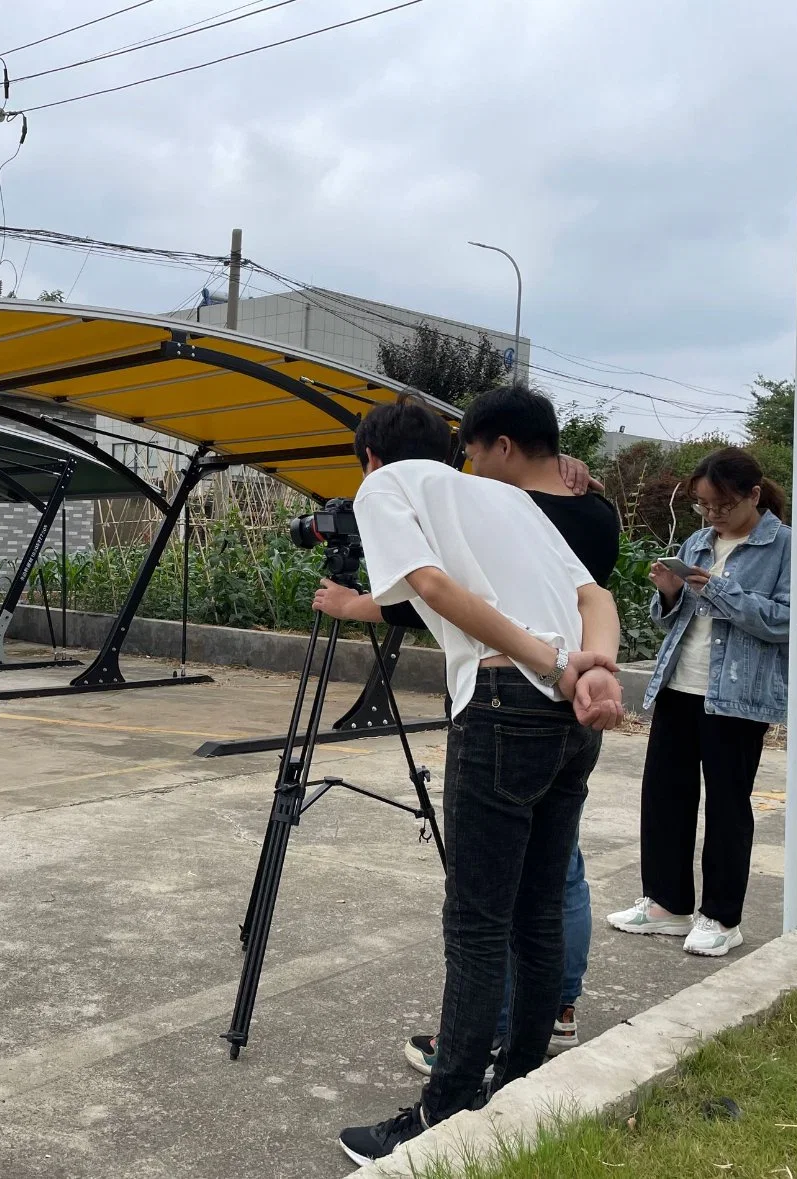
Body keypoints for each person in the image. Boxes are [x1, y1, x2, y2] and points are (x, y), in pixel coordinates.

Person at [330, 398, 623, 1166]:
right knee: (534, 910)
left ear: (371, 457)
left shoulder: (385, 487)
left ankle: (445, 1110)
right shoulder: (502, 496)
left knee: (476, 921)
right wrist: (594, 666)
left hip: (504, 703)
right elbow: (596, 596)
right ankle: (520, 1083)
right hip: (566, 719)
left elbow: (425, 582)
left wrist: (552, 663)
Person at [608, 447, 790, 957]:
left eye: (722, 505)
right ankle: (667, 905)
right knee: (665, 797)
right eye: (704, 506)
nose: (712, 515)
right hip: (678, 686)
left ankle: (721, 917)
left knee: (728, 807)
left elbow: (785, 621)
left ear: (754, 495)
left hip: (736, 696)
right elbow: (673, 618)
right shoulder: (698, 540)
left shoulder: (786, 547)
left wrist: (718, 589)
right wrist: (668, 592)